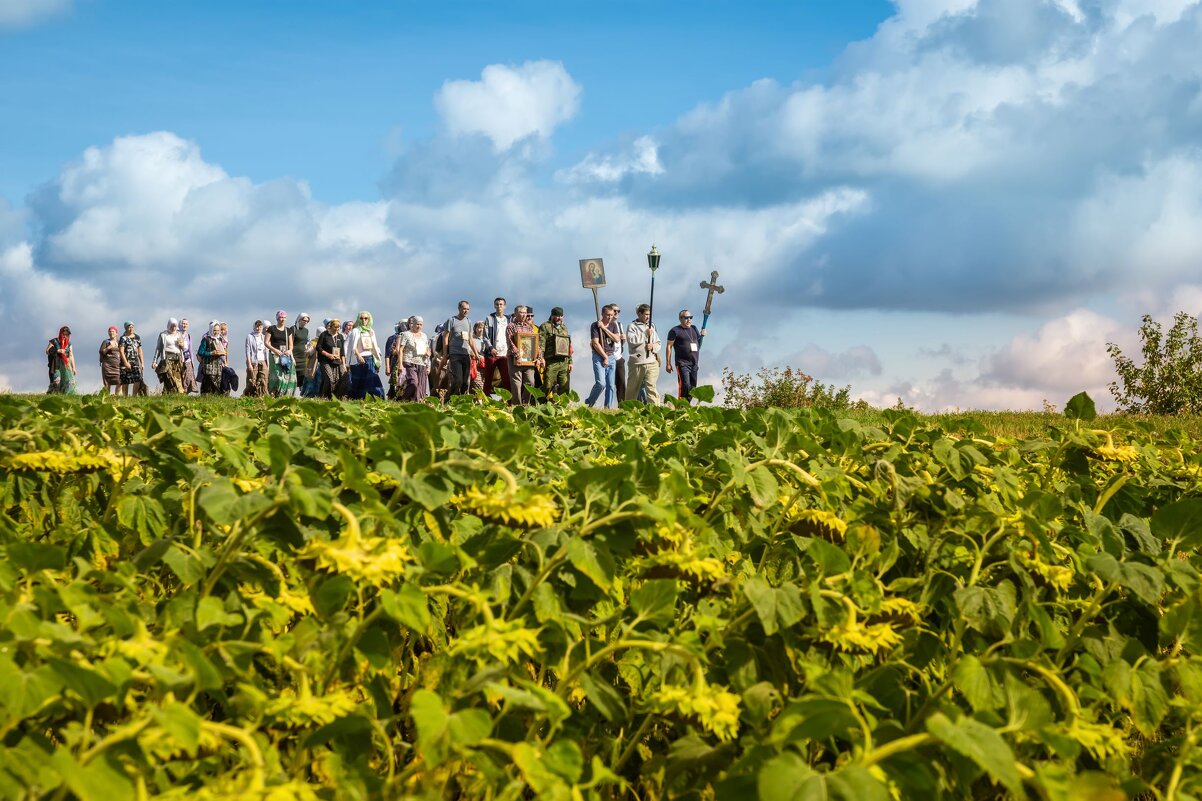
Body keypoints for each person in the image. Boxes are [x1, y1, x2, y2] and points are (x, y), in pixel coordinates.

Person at [439, 300, 477, 396]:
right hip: (455, 353)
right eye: (464, 309)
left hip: (466, 353)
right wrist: (445, 354)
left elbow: (471, 339)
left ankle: (463, 400)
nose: (466, 311)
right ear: (459, 308)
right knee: (458, 380)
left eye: (468, 309)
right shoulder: (452, 320)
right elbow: (445, 337)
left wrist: (476, 354)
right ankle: (450, 399)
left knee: (465, 382)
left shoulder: (469, 321)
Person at [586, 305, 621, 408]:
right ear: (602, 314)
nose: (610, 317)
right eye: (607, 315)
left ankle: (608, 408)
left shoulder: (613, 325)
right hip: (599, 356)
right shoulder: (595, 325)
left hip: (611, 356)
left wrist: (604, 329)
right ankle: (590, 402)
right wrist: (604, 357)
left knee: (610, 385)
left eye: (611, 315)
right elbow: (595, 343)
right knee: (601, 383)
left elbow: (616, 339)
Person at [626, 303, 661, 404]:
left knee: (651, 387)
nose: (648, 317)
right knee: (632, 389)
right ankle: (628, 409)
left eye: (649, 315)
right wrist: (645, 334)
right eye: (646, 314)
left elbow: (658, 342)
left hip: (651, 362)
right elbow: (632, 341)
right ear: (639, 314)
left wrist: (653, 347)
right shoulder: (632, 326)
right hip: (637, 362)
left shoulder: (652, 326)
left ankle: (656, 410)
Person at [666, 309, 704, 402]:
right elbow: (669, 346)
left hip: (694, 363)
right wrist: (668, 363)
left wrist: (702, 335)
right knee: (685, 385)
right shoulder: (675, 330)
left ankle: (687, 406)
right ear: (680, 318)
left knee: (692, 387)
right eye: (686, 318)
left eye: (690, 317)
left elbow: (699, 345)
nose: (689, 320)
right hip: (682, 363)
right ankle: (680, 407)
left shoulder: (694, 329)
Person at [507, 305, 542, 405]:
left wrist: (539, 357)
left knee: (530, 382)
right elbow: (510, 343)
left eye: (524, 313)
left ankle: (525, 404)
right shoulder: (511, 326)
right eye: (520, 312)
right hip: (514, 359)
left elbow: (536, 344)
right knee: (516, 384)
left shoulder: (529, 327)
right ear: (515, 313)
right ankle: (517, 406)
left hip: (529, 360)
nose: (523, 315)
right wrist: (518, 356)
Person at [346, 311, 385, 400]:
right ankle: (356, 399)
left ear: (369, 319)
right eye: (361, 318)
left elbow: (374, 346)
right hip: (358, 360)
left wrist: (378, 360)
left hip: (370, 358)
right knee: (358, 381)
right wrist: (358, 356)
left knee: (371, 380)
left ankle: (374, 399)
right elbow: (353, 347)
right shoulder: (355, 331)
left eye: (366, 318)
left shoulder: (371, 331)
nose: (363, 320)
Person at [539, 307, 573, 400]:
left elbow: (568, 345)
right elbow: (541, 344)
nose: (559, 318)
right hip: (551, 361)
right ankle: (537, 403)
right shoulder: (545, 326)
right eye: (557, 316)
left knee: (564, 386)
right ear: (552, 316)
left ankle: (560, 406)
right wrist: (541, 358)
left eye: (561, 316)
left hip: (564, 362)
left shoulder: (564, 327)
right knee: (548, 385)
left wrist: (570, 362)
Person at [482, 297, 511, 398]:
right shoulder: (489, 318)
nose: (499, 306)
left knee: (506, 379)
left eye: (501, 304)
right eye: (497, 304)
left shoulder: (509, 319)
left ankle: (509, 403)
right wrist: (490, 348)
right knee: (488, 379)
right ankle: (485, 400)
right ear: (494, 306)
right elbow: (485, 336)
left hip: (505, 354)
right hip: (492, 354)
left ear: (505, 306)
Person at [398, 316, 432, 402]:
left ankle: (417, 402)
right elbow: (401, 350)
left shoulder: (424, 336)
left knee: (420, 386)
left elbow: (427, 348)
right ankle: (404, 398)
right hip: (409, 361)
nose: (419, 326)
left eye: (421, 324)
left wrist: (428, 353)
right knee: (413, 382)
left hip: (422, 362)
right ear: (413, 324)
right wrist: (400, 364)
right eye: (417, 324)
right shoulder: (406, 334)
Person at [264, 310, 296, 397]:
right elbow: (266, 342)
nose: (282, 319)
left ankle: (286, 395)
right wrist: (275, 350)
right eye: (281, 317)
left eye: (284, 317)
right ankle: (274, 393)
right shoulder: (271, 329)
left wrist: (289, 351)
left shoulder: (288, 330)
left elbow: (291, 345)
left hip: (285, 356)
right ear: (277, 318)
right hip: (275, 355)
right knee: (277, 376)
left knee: (287, 375)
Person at [151, 318, 187, 394]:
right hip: (167, 359)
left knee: (178, 378)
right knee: (170, 378)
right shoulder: (163, 335)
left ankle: (172, 394)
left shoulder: (179, 334)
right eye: (172, 326)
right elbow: (158, 349)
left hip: (177, 360)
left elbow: (183, 348)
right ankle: (172, 393)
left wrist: (181, 345)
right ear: (169, 325)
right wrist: (154, 361)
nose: (174, 328)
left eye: (175, 326)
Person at [317, 318, 345, 399]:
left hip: (337, 361)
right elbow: (318, 348)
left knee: (338, 380)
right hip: (325, 361)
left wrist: (343, 364)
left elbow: (342, 352)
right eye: (335, 327)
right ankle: (324, 396)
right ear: (331, 327)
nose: (337, 329)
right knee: (329, 379)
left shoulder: (340, 336)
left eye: (338, 327)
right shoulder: (324, 335)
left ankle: (334, 397)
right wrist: (328, 355)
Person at [118, 321, 147, 397]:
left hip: (135, 361)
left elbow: (140, 351)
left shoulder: (137, 337)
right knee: (125, 380)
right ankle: (125, 397)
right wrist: (125, 363)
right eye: (129, 327)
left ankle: (134, 396)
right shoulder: (123, 338)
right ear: (126, 328)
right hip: (126, 361)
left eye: (132, 327)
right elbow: (121, 351)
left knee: (137, 379)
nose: (131, 329)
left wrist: (142, 363)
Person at [197, 321, 226, 395]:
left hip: (217, 367)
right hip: (208, 367)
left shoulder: (219, 339)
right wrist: (211, 353)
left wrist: (222, 353)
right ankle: (206, 399)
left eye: (218, 330)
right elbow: (200, 352)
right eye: (214, 330)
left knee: (217, 385)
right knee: (208, 385)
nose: (216, 332)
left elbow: (222, 351)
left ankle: (215, 399)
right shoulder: (206, 339)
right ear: (211, 330)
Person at [45, 326, 77, 394]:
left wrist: (74, 368)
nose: (65, 336)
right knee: (57, 380)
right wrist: (58, 350)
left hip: (66, 365)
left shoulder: (69, 344)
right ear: (60, 333)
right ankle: (54, 394)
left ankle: (66, 394)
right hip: (56, 363)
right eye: (64, 334)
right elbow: (47, 351)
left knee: (69, 381)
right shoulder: (54, 341)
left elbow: (71, 356)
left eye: (67, 335)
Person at [288, 312, 311, 395]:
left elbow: (307, 342)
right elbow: (290, 344)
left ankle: (302, 395)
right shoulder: (293, 329)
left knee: (303, 378)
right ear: (299, 319)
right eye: (304, 320)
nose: (305, 322)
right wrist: (291, 357)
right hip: (294, 356)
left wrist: (308, 348)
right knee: (293, 378)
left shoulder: (306, 330)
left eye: (307, 321)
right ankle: (291, 395)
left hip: (303, 357)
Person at [244, 320, 268, 398]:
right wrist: (249, 363)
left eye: (260, 327)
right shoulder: (250, 336)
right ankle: (249, 395)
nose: (258, 328)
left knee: (263, 379)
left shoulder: (264, 337)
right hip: (254, 361)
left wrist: (268, 364)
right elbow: (248, 351)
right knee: (252, 379)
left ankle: (262, 396)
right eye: (257, 327)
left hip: (263, 360)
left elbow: (266, 351)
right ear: (255, 327)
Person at [384, 319, 407, 400]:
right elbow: (387, 354)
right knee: (395, 382)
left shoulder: (410, 336)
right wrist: (387, 367)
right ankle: (393, 398)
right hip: (395, 363)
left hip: (407, 363)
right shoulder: (392, 338)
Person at [611, 305, 627, 402]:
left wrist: (623, 339)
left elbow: (622, 341)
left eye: (618, 311)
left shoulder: (620, 325)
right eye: (614, 311)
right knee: (608, 383)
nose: (617, 313)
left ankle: (622, 404)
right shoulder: (604, 325)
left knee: (621, 382)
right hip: (608, 357)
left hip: (619, 357)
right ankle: (607, 404)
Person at [99, 326, 121, 394]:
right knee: (107, 382)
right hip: (107, 365)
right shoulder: (105, 342)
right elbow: (102, 352)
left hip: (118, 365)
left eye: (113, 331)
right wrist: (109, 347)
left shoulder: (120, 342)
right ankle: (106, 397)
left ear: (116, 333)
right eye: (110, 331)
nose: (111, 333)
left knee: (120, 381)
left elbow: (123, 352)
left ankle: (117, 396)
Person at [470, 320, 488, 394]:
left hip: (486, 365)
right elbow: (469, 350)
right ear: (475, 328)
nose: (481, 330)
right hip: (476, 365)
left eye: (483, 328)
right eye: (479, 327)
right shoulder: (472, 339)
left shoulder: (487, 339)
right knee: (478, 385)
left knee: (485, 385)